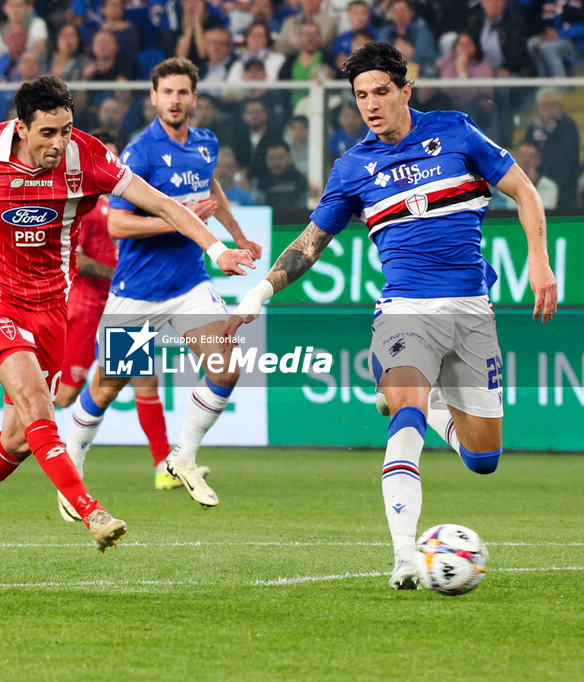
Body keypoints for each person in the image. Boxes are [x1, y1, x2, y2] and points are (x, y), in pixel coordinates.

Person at [0, 75, 253, 582]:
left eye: (66, 130)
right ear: (22, 127)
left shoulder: (88, 157)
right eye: (48, 133)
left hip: (52, 305)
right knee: (37, 407)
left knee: (18, 438)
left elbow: (162, 203)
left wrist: (217, 248)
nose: (59, 143)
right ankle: (90, 510)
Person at [225, 41, 556, 590]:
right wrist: (259, 293)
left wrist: (538, 261)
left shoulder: (456, 131)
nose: (372, 105)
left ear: (406, 91)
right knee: (405, 417)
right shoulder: (353, 167)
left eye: (381, 92)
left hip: (472, 308)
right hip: (404, 309)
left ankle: (425, 399)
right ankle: (405, 555)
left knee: (483, 458)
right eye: (361, 96)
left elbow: (524, 191)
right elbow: (310, 243)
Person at [63, 58, 262, 508]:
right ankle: (71, 464)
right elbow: (118, 227)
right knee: (107, 386)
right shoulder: (139, 152)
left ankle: (182, 458)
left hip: (190, 283)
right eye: (166, 92)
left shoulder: (206, 143)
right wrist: (179, 220)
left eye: (182, 92)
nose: (175, 100)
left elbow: (212, 191)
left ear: (194, 97)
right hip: (136, 292)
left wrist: (239, 236)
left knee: (227, 366)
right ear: (154, 97)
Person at [0, 131, 189, 500]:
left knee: (144, 379)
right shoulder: (81, 200)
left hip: (127, 302)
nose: (114, 168)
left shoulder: (131, 203)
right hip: (85, 304)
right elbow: (75, 260)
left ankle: (164, 467)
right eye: (109, 159)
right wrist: (115, 273)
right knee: (62, 398)